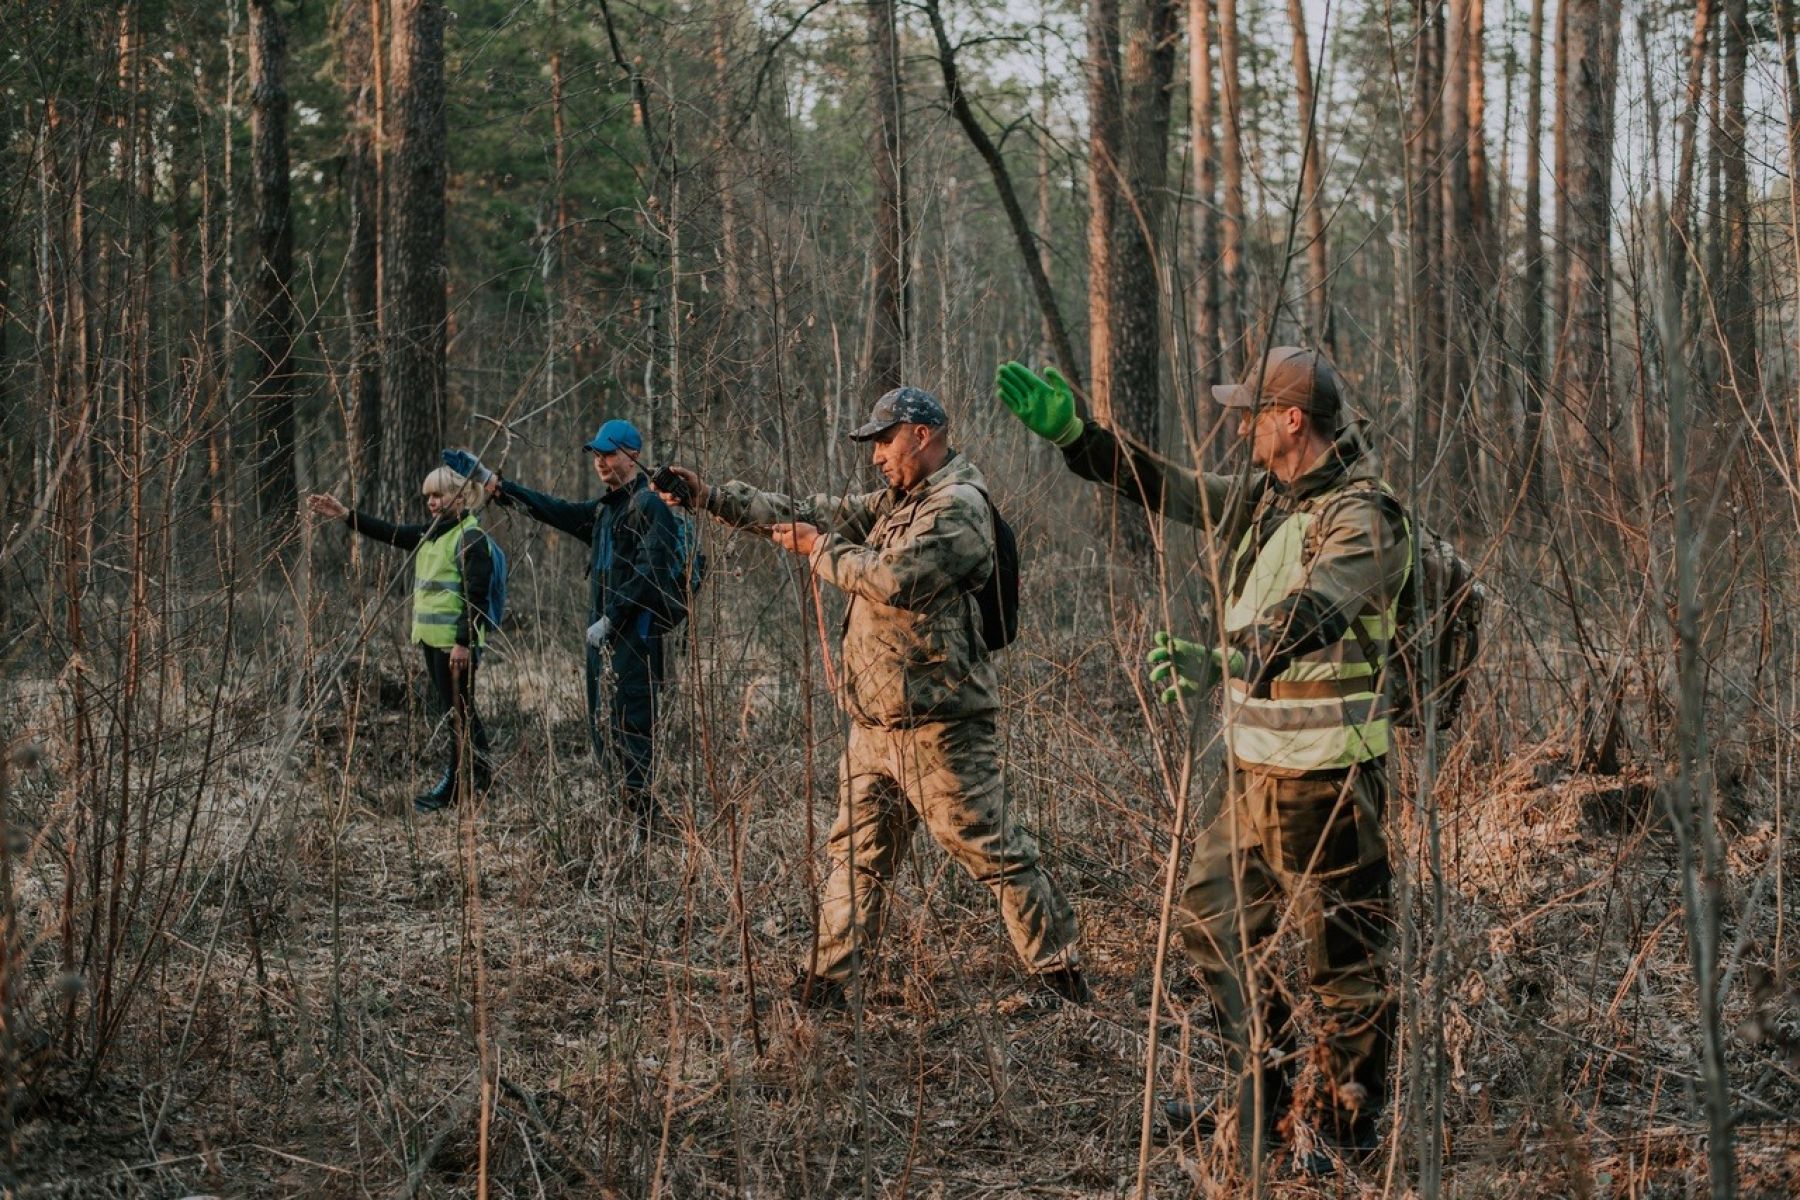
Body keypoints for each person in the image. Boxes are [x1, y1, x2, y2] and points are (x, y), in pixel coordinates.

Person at [996, 348, 1411, 1174]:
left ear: (1294, 420)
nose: (1241, 425)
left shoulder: (1365, 514)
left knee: (1344, 959)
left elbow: (1318, 610)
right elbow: (1174, 489)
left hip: (1325, 780)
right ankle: (1261, 1089)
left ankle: (1343, 1127)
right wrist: (1083, 438)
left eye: (1253, 412)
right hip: (1253, 771)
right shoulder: (1269, 497)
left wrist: (1223, 657)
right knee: (1210, 920)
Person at [655, 386, 1087, 1010]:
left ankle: (1061, 977)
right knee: (856, 857)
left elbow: (896, 578)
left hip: (941, 724)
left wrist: (820, 549)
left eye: (885, 441)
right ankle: (829, 987)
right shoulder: (894, 501)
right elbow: (808, 511)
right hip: (874, 727)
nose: (877, 456)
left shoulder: (960, 506)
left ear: (922, 434)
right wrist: (713, 497)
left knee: (991, 851)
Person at [448, 420, 683, 830]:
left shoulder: (649, 506)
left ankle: (646, 831)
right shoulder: (604, 511)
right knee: (603, 728)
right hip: (604, 642)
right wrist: (495, 484)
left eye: (609, 454)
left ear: (632, 455)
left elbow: (651, 573)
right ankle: (622, 821)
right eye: (596, 454)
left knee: (633, 731)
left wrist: (612, 618)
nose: (601, 462)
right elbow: (553, 509)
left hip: (637, 640)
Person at [307, 467, 496, 813]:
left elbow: (477, 597)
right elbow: (391, 533)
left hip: (453, 645)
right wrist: (346, 515)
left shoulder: (470, 538)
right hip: (432, 640)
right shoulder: (433, 533)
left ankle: (455, 788)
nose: (432, 503)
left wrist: (463, 643)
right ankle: (481, 778)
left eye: (438, 495)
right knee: (459, 711)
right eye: (428, 498)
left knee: (458, 713)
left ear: (460, 495)